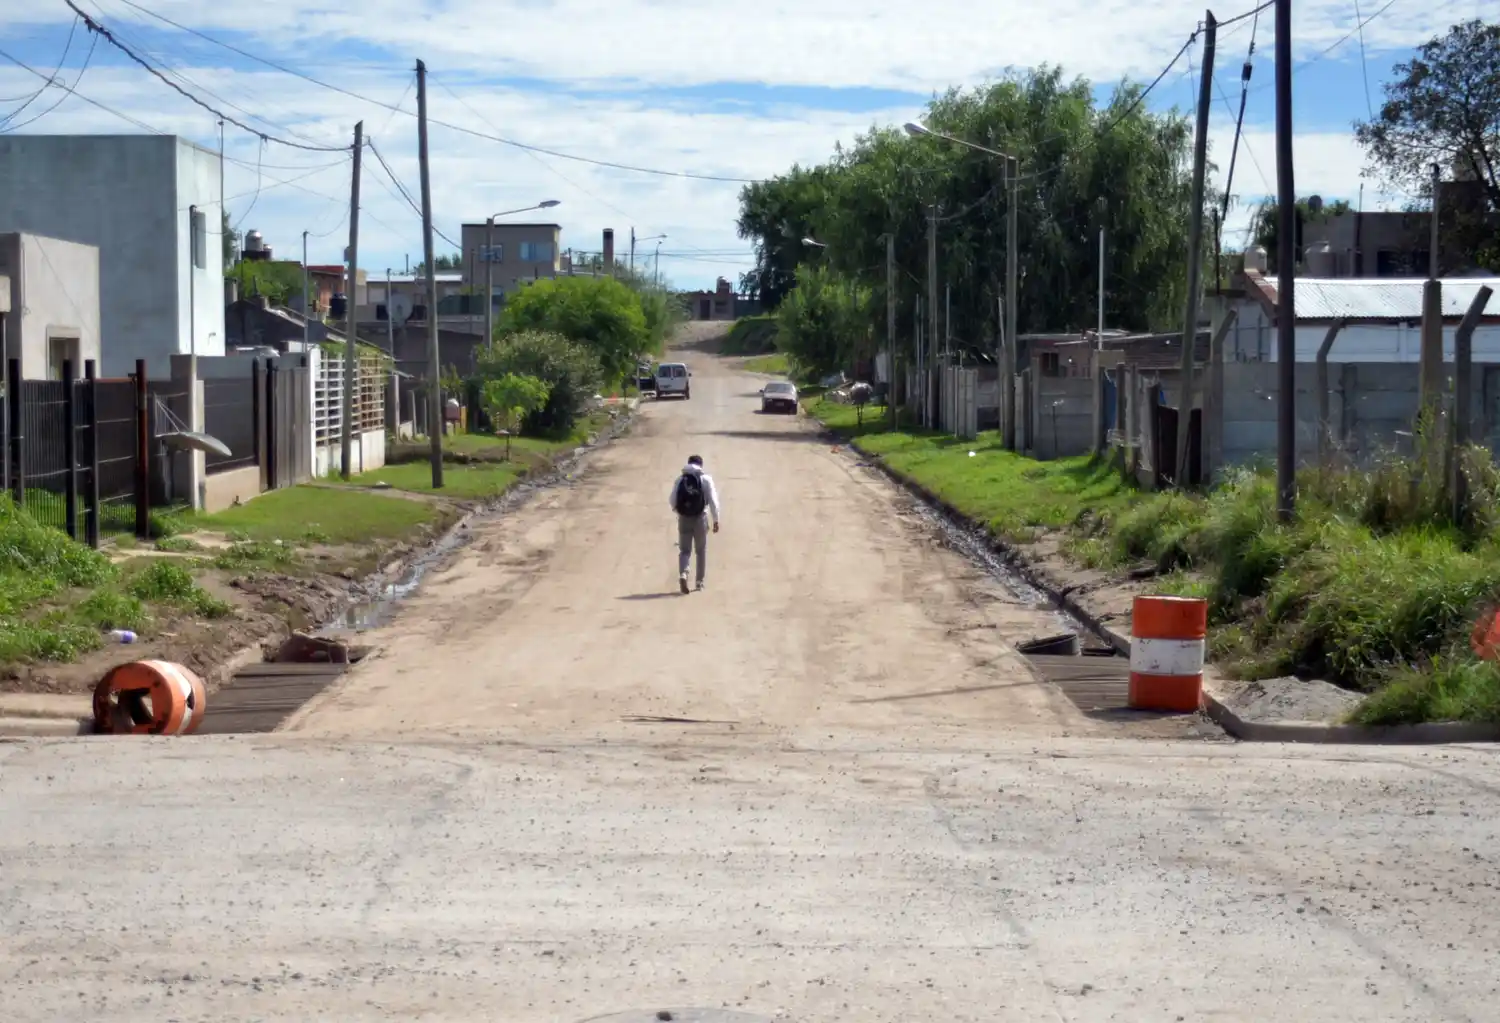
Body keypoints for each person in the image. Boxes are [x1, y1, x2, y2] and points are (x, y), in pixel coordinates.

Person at [668, 454, 721, 593]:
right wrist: (716, 520)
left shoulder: (680, 479)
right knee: (701, 551)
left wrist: (679, 512)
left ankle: (684, 574)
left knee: (685, 550)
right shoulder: (706, 479)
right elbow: (713, 502)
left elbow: (672, 500)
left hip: (684, 518)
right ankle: (699, 582)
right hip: (700, 518)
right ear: (700, 465)